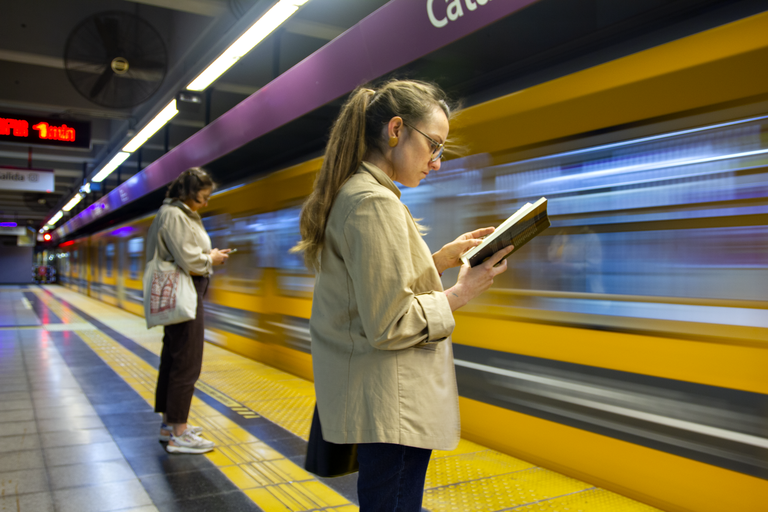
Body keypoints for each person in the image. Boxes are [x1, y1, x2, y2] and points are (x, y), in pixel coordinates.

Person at [293, 80, 514, 511]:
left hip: (383, 398)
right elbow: (391, 321)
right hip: (393, 403)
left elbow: (373, 287)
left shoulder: (359, 194)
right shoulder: (375, 203)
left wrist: (440, 260)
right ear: (396, 129)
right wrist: (461, 292)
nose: (436, 162)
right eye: (433, 144)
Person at [145, 167, 231, 454]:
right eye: (202, 197)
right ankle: (179, 433)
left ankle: (170, 424)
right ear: (187, 193)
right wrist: (211, 258)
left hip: (187, 293)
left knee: (173, 357)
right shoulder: (174, 215)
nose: (205, 204)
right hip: (186, 294)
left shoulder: (177, 213)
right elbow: (190, 259)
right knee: (187, 363)